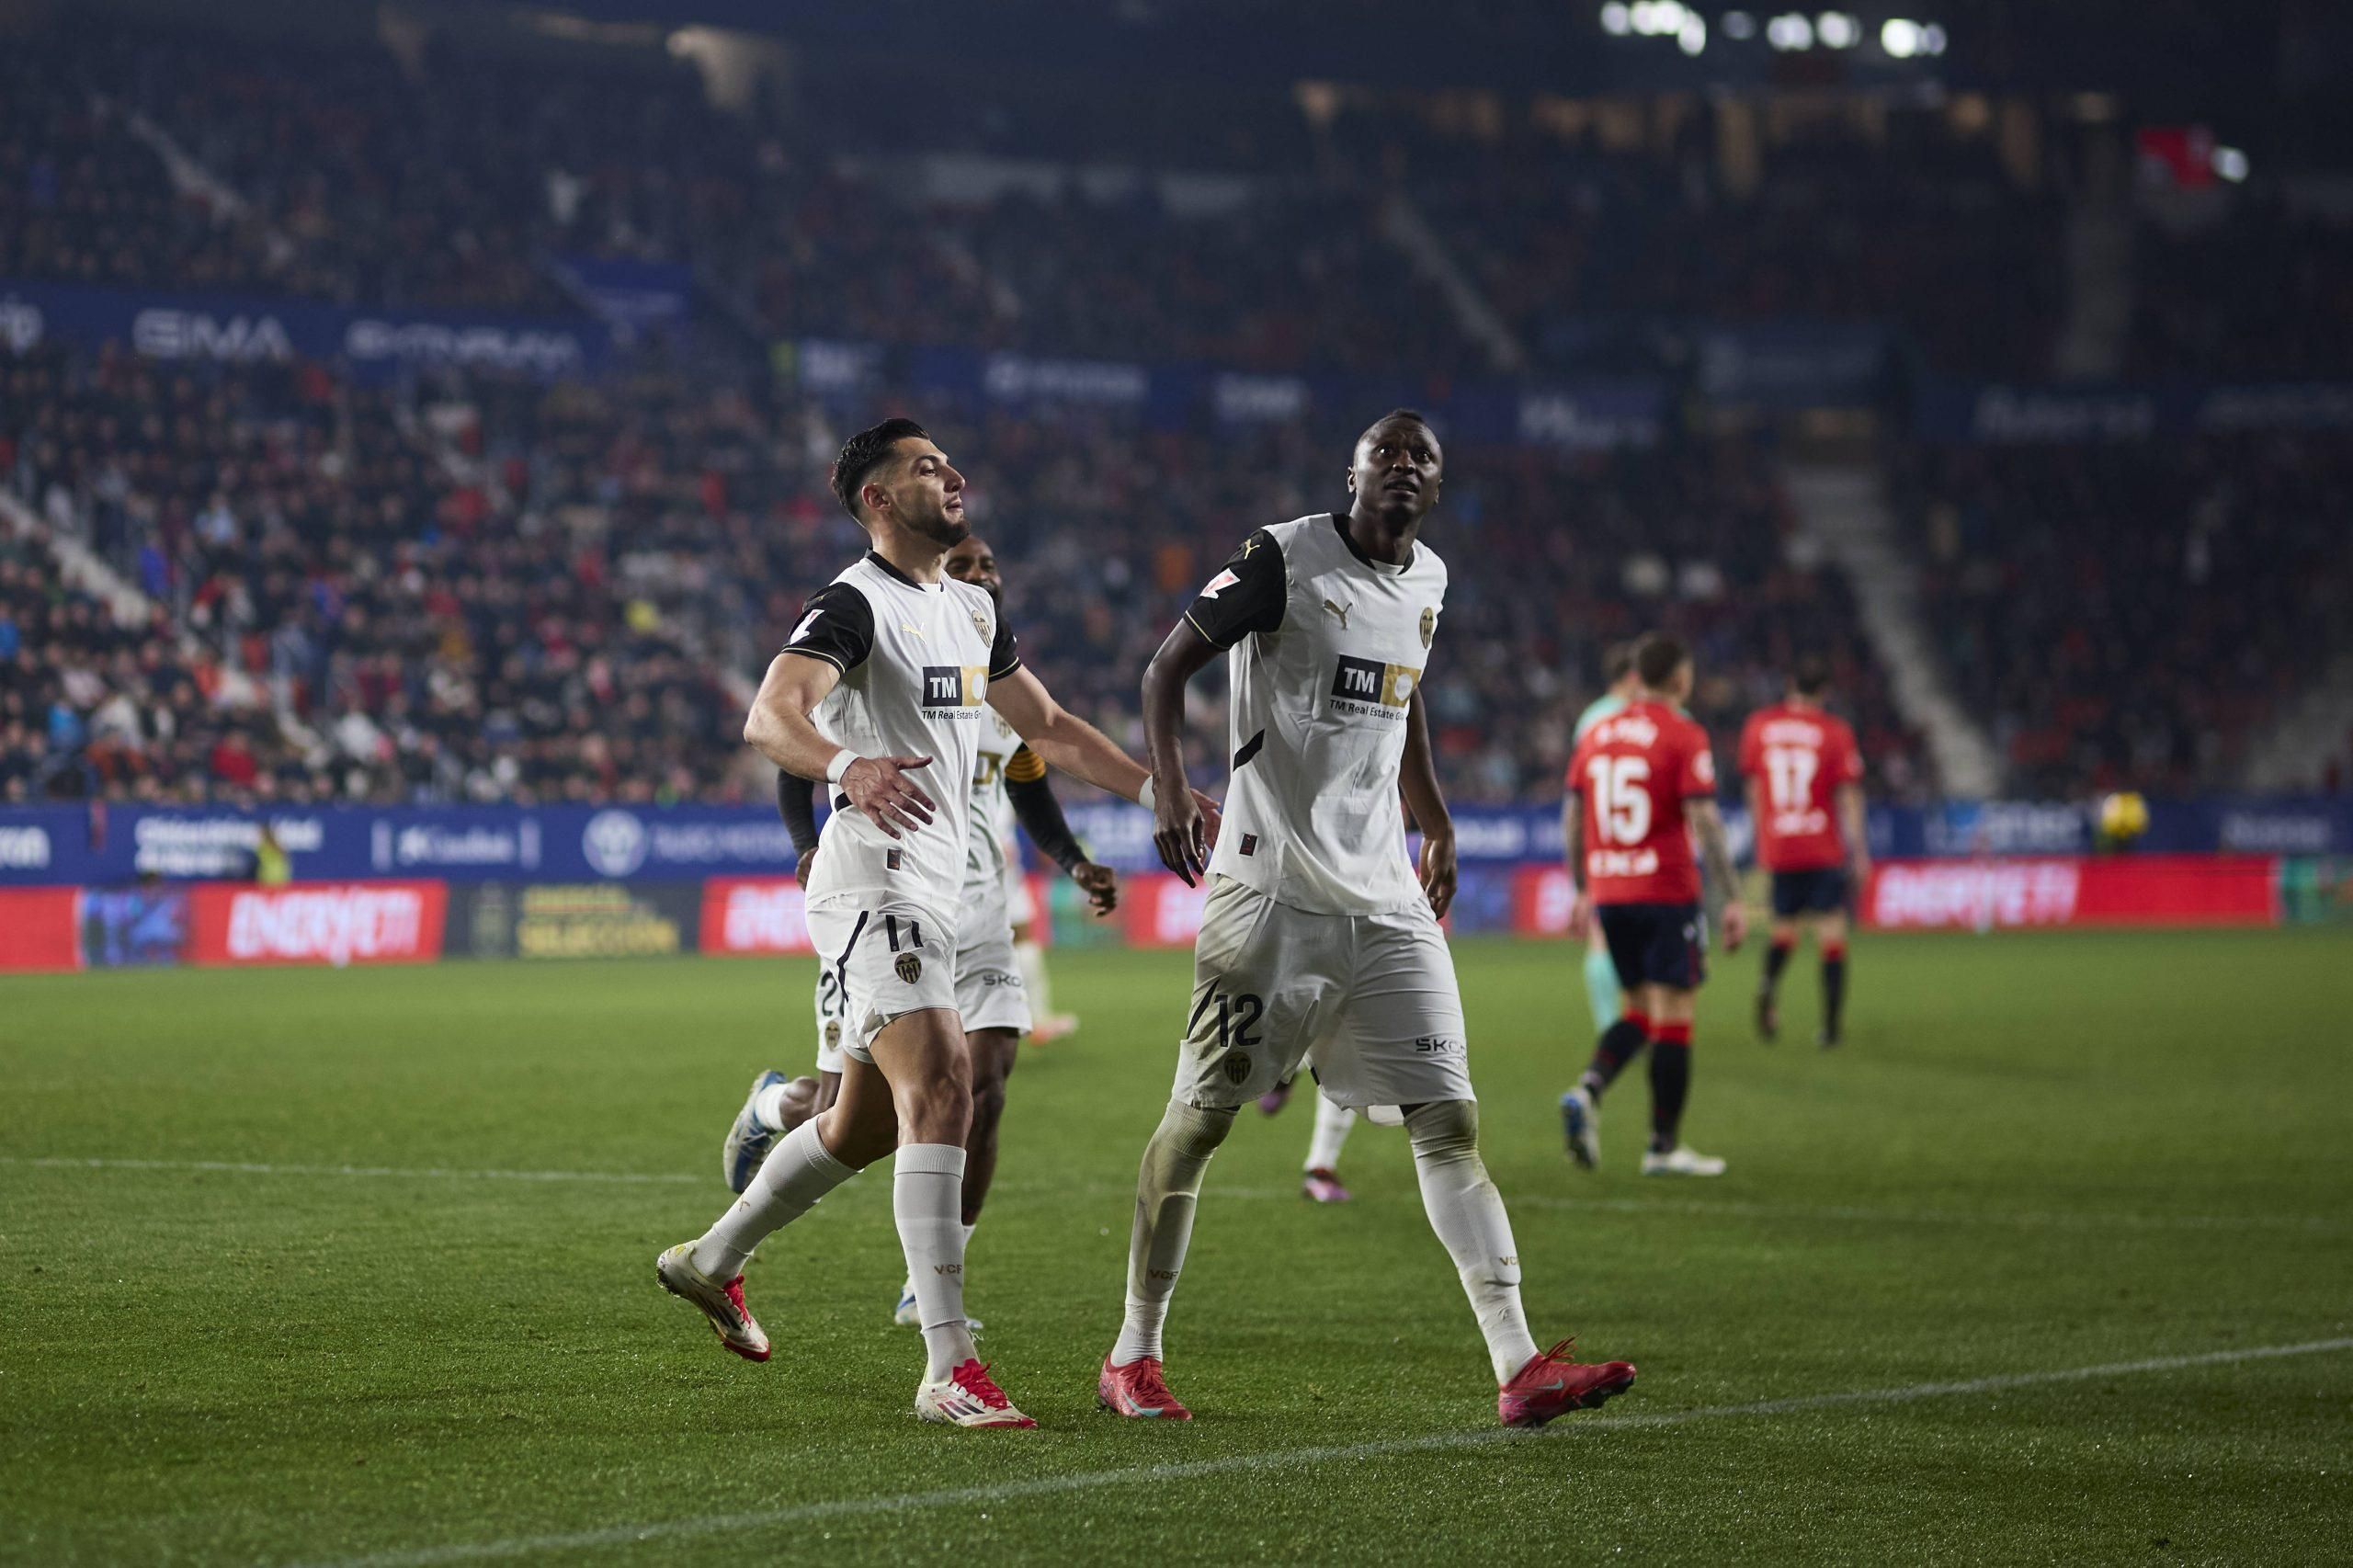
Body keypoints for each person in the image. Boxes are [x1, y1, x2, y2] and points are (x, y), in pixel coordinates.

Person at [1097, 409, 1636, 1428]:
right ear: (1352, 472)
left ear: (1437, 485)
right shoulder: (1281, 557)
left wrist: (1435, 819)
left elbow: (1407, 693)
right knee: (1200, 1121)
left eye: (1420, 456)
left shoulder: (1430, 580)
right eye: (1384, 451)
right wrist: (1167, 786)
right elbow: (1164, 669)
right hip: (1268, 891)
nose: (1401, 466)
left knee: (1448, 1120)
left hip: (1386, 900)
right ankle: (1133, 1350)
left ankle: (1519, 1363)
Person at [656, 418, 1192, 1430]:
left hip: (942, 891)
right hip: (874, 881)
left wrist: (1158, 789)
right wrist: (845, 765)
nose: (952, 475)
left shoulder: (973, 607)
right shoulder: (854, 602)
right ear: (875, 498)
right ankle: (949, 1364)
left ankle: (710, 1259)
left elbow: (1049, 729)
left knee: (860, 1126)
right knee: (946, 1080)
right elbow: (770, 716)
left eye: (948, 463)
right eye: (924, 467)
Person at [722, 533, 1120, 1330]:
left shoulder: (1003, 694)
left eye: (988, 566)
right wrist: (806, 844)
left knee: (983, 1086)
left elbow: (1032, 788)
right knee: (847, 1112)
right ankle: (772, 1108)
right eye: (963, 564)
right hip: (886, 897)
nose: (977, 575)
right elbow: (792, 753)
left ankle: (930, 1283)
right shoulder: (887, 658)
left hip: (978, 915)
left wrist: (1074, 861)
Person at [1560, 633, 1748, 1176]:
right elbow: (1705, 819)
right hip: (1665, 892)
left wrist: (1581, 887)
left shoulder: (1597, 732)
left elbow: (1573, 816)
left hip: (1611, 893)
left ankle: (1589, 1089)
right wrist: (1732, 897)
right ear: (1681, 679)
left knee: (1638, 1012)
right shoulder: (1683, 731)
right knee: (1674, 1017)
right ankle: (1662, 1147)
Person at [1737, 655, 1868, 1048]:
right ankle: (1830, 1027)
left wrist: (1762, 838)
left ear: (1790, 684)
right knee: (1831, 934)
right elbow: (1848, 795)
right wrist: (1859, 851)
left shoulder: (1759, 725)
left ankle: (1768, 985)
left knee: (1784, 930)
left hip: (1780, 844)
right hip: (1821, 845)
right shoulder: (1835, 731)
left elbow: (1753, 789)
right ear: (1825, 691)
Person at [1570, 643, 1642, 1034]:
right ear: (1633, 676)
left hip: (1601, 840)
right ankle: (1639, 1022)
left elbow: (1579, 789)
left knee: (1602, 936)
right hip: (1645, 842)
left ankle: (1609, 1025)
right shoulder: (1654, 716)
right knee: (1645, 938)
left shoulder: (1591, 719)